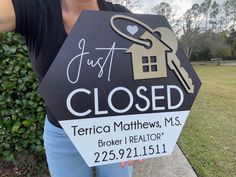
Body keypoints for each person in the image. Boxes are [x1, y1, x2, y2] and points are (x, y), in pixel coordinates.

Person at [0, 0, 143, 176]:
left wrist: (139, 132)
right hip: (62, 136)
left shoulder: (122, 16)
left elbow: (139, 77)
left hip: (115, 132)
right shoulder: (34, 8)